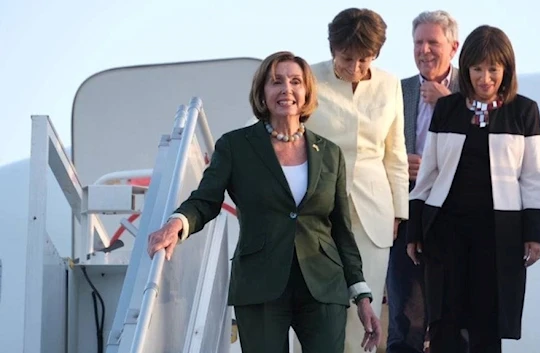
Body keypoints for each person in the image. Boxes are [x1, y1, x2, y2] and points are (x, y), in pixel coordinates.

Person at [146, 51, 381, 353]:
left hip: (323, 285)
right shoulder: (235, 146)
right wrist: (176, 225)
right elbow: (206, 200)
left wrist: (361, 295)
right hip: (260, 285)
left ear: (307, 91)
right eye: (276, 82)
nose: (287, 89)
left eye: (296, 81)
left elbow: (341, 231)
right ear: (262, 93)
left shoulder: (330, 153)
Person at [406, 25, 540, 353]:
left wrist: (534, 233)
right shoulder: (448, 108)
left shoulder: (524, 111)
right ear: (466, 70)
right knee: (444, 321)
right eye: (477, 69)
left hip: (499, 235)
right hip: (445, 231)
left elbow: (534, 177)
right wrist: (415, 229)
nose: (485, 78)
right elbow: (428, 174)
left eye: (493, 70)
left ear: (506, 70)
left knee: (488, 322)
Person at [303, 7, 409, 353]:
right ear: (333, 48)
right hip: (315, 210)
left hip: (373, 212)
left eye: (365, 60)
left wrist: (398, 211)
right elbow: (266, 128)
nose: (355, 68)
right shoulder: (306, 78)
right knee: (315, 306)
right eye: (347, 58)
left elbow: (395, 153)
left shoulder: (390, 84)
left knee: (362, 311)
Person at [385, 10, 467, 353]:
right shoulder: (396, 90)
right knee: (407, 315)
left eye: (433, 42)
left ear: (453, 46)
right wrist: (400, 165)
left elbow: (493, 143)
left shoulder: (474, 88)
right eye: (419, 42)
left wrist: (448, 103)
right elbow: (376, 147)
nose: (425, 50)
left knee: (458, 316)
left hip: (458, 218)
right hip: (407, 215)